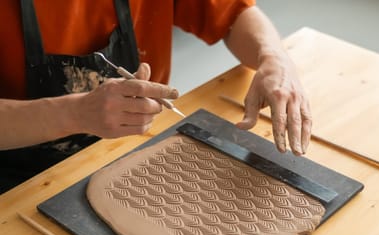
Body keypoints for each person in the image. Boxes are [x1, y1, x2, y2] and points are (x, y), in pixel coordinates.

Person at [0, 0, 313, 194]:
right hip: (20, 178)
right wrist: (74, 114)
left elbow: (234, 14)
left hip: (139, 149)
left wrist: (275, 58)